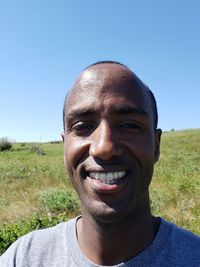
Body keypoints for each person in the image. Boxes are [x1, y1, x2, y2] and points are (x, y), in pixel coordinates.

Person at [0, 61, 200, 266]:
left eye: (129, 125)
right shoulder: (23, 257)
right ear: (65, 145)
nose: (104, 147)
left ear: (156, 146)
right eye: (83, 126)